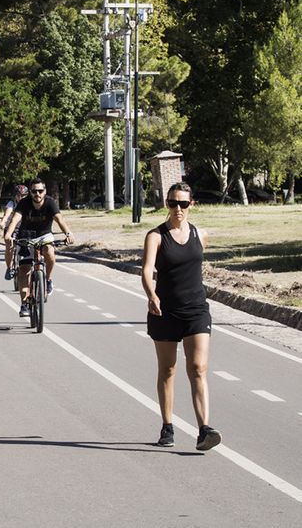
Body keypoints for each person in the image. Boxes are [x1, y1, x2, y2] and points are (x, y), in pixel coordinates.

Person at [142, 182, 221, 451]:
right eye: (173, 203)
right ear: (167, 204)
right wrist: (151, 294)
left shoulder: (201, 234)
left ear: (192, 205)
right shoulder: (156, 236)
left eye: (183, 204)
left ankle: (204, 430)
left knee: (198, 368)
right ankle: (167, 425)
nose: (178, 209)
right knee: (168, 370)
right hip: (164, 310)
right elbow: (147, 270)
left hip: (196, 309)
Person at [5, 177, 74, 317]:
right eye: (34, 191)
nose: (37, 194)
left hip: (44, 235)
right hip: (25, 236)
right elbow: (15, 219)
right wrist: (9, 234)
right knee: (24, 269)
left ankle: (47, 280)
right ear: (30, 192)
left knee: (49, 251)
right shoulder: (24, 203)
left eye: (40, 191)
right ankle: (24, 303)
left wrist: (68, 233)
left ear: (45, 191)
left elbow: (59, 219)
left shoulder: (50, 203)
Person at [0, 184, 28, 280]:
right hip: (12, 228)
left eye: (23, 195)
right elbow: (6, 215)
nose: (21, 197)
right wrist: (2, 223)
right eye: (19, 195)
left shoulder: (30, 203)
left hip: (24, 228)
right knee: (9, 247)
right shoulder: (11, 204)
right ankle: (9, 268)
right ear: (15, 196)